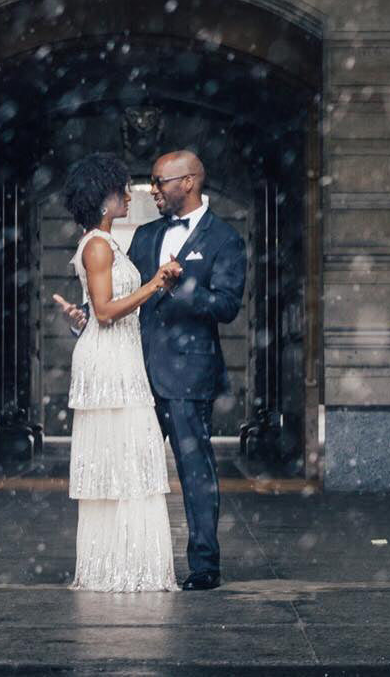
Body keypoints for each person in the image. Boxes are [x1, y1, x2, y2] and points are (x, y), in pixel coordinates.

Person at [57, 149, 246, 591]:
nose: (153, 190)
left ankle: (203, 566)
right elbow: (118, 296)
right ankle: (125, 562)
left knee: (195, 473)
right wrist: (87, 317)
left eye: (161, 182)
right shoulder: (142, 235)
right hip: (132, 376)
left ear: (189, 182)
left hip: (187, 376)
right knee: (127, 473)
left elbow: (228, 306)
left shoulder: (225, 239)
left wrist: (181, 290)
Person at [58, 152, 183, 592]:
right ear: (101, 197)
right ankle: (117, 568)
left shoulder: (106, 243)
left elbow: (97, 309)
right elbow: (108, 312)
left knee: (129, 461)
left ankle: (130, 566)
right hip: (110, 361)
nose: (128, 195)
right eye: (119, 190)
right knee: (123, 460)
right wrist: (155, 284)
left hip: (121, 357)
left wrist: (84, 315)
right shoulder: (96, 244)